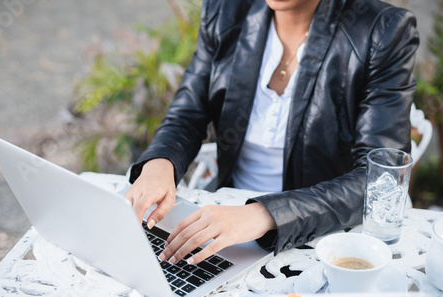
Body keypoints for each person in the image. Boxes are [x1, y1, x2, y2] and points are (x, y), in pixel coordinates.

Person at [125, 0, 419, 266]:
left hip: (321, 241)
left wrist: (265, 214)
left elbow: (381, 179)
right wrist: (160, 163)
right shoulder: (224, 11)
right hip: (226, 219)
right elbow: (188, 114)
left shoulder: (383, 31)